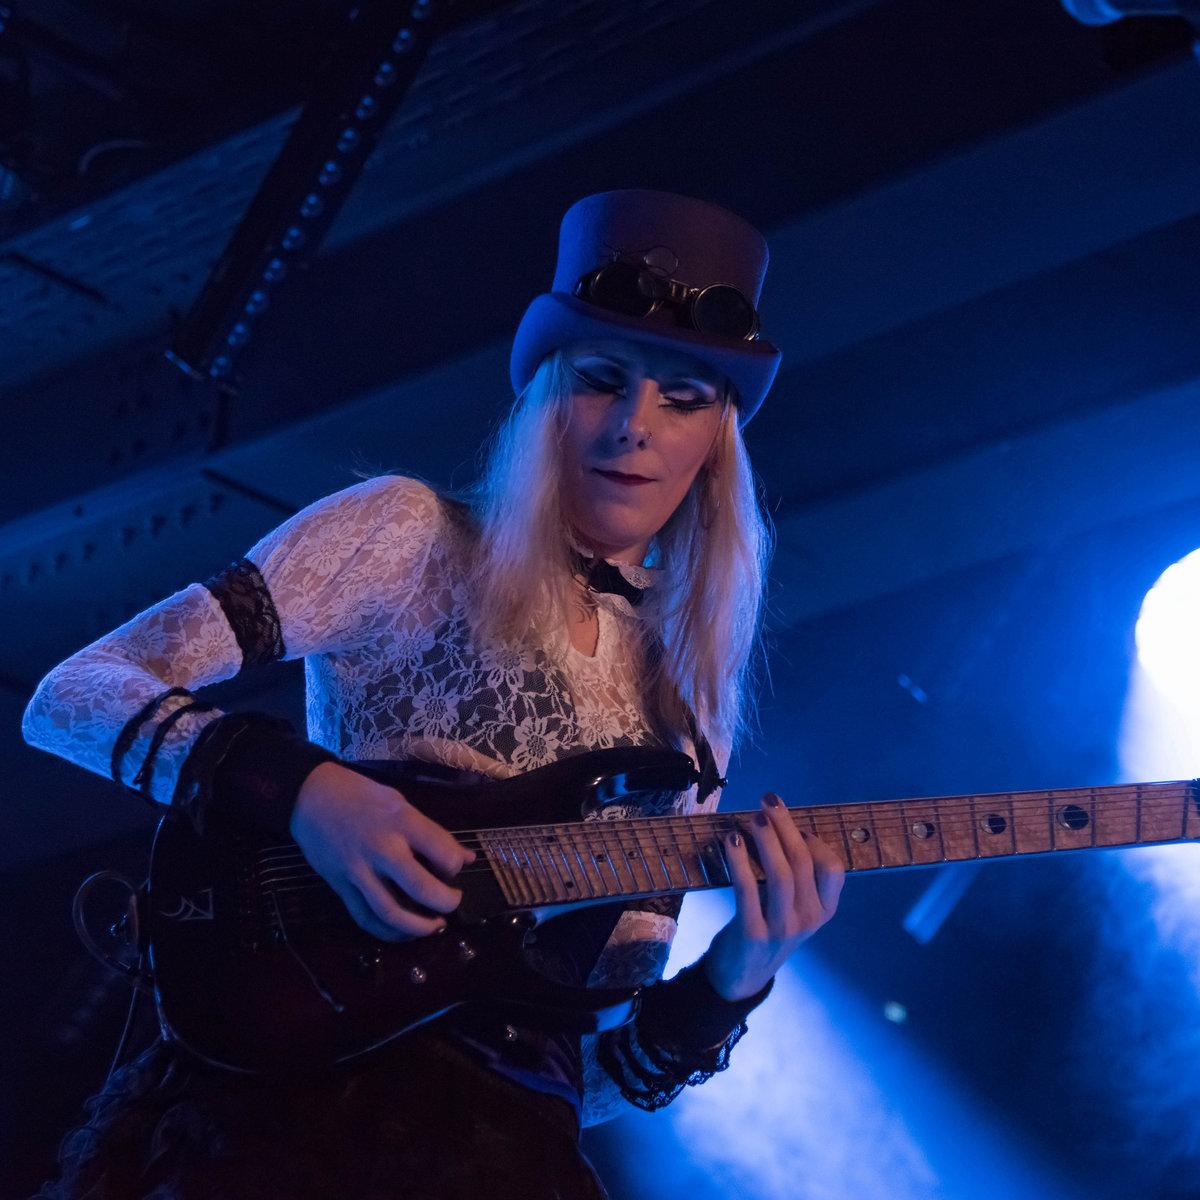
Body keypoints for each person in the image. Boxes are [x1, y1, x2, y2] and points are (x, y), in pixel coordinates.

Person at [21, 189, 845, 1199]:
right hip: (292, 1124)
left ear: (717, 438)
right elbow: (72, 694)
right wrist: (307, 792)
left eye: (681, 398)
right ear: (546, 394)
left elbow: (586, 1078)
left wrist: (737, 975)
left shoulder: (689, 705)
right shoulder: (406, 536)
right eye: (601, 381)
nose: (634, 427)